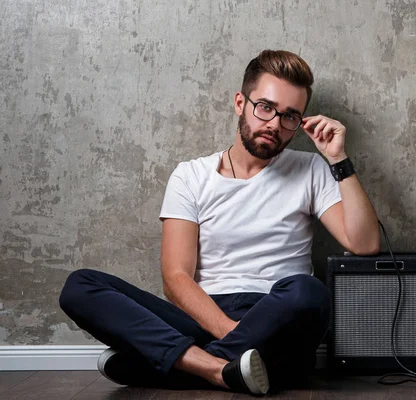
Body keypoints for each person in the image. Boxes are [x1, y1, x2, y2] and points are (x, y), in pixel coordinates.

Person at [59, 49, 380, 395]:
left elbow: (365, 244)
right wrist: (231, 333)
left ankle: (174, 362)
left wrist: (338, 159)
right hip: (203, 317)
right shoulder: (191, 176)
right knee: (81, 286)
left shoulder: (311, 169)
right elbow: (176, 278)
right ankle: (220, 368)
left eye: (290, 116)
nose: (274, 124)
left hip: (278, 315)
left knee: (308, 291)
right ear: (240, 102)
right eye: (266, 108)